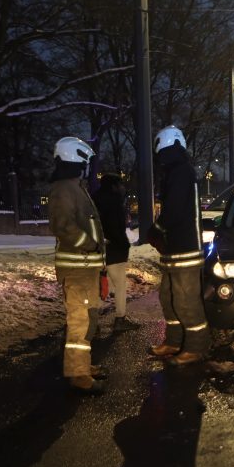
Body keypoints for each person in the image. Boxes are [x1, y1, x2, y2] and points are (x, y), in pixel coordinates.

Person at [48, 136, 107, 394]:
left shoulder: (74, 187)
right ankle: (78, 374)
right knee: (80, 321)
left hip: (86, 268)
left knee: (88, 318)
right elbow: (63, 227)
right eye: (86, 162)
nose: (88, 167)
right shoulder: (64, 189)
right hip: (78, 268)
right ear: (77, 159)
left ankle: (82, 365)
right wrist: (90, 244)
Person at [147, 125, 211, 365]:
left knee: (186, 300)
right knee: (169, 297)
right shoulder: (175, 172)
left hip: (185, 251)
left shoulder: (182, 172)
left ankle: (196, 346)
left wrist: (156, 229)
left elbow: (174, 211)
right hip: (175, 251)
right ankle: (173, 341)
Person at [94, 172, 140, 331]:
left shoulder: (94, 200)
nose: (122, 187)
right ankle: (120, 318)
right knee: (119, 285)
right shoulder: (115, 202)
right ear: (114, 186)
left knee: (100, 285)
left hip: (97, 251)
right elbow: (116, 229)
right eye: (120, 184)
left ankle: (93, 323)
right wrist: (123, 244)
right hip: (114, 250)